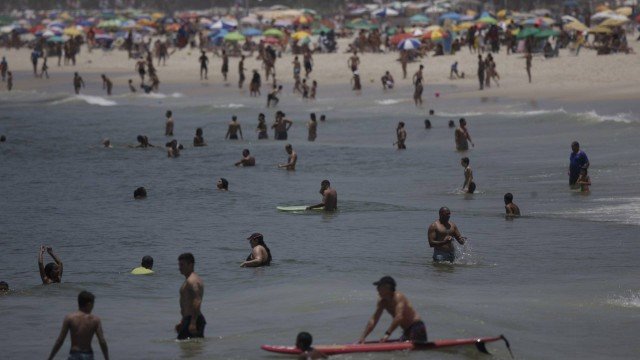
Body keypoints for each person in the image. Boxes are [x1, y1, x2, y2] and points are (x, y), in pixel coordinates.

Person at [358, 276, 426, 344]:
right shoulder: (382, 302)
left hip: (417, 327)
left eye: (379, 286)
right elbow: (374, 319)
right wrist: (363, 337)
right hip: (406, 331)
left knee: (407, 350)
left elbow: (399, 317)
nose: (377, 289)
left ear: (387, 287)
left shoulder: (398, 297)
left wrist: (387, 334)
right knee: (399, 350)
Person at [47, 291, 109, 360]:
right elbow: (102, 341)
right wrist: (107, 358)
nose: (93, 307)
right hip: (87, 355)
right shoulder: (95, 320)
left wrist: (50, 358)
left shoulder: (70, 318)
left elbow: (60, 340)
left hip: (74, 355)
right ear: (89, 304)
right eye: (93, 304)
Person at [176, 253, 205, 340]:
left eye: (182, 265)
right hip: (189, 319)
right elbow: (187, 302)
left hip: (193, 320)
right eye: (179, 265)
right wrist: (183, 320)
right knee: (189, 349)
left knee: (189, 349)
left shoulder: (192, 281)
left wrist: (192, 322)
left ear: (191, 265)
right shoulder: (189, 280)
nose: (180, 267)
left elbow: (197, 300)